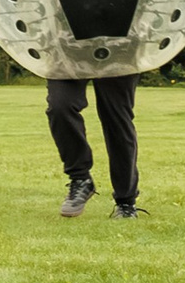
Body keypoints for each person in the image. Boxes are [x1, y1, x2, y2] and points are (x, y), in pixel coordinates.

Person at [49, 75, 139, 217]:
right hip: (67, 57)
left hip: (119, 57)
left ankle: (126, 202)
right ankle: (80, 179)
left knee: (117, 119)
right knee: (60, 106)